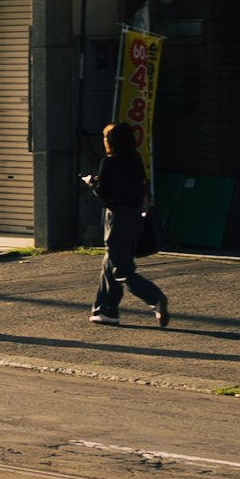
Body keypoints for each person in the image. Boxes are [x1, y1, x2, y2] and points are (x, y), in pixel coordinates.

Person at [83, 122, 170, 327]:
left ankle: (155, 298)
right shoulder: (136, 161)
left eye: (105, 138)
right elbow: (140, 189)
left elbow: (103, 191)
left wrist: (91, 182)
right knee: (110, 263)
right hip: (135, 218)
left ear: (111, 141)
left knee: (120, 269)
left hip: (117, 219)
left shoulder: (109, 162)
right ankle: (106, 310)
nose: (103, 141)